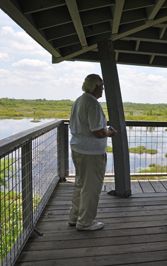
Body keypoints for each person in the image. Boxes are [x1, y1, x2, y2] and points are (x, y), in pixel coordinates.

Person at [68, 74, 117, 231]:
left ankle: (75, 217)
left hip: (78, 149)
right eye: (102, 86)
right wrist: (110, 133)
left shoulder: (79, 100)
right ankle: (86, 222)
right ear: (96, 87)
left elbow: (74, 125)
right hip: (91, 153)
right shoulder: (93, 104)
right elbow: (98, 132)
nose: (102, 89)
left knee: (80, 184)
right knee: (91, 188)